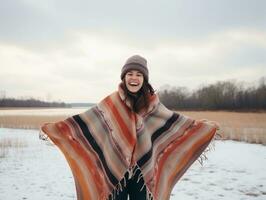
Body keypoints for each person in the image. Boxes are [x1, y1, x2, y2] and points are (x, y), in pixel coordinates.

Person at [40, 55, 219, 200]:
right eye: (130, 74)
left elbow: (176, 125)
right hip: (115, 173)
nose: (134, 78)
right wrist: (58, 129)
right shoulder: (111, 103)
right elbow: (86, 123)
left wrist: (203, 129)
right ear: (124, 77)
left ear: (144, 79)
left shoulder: (153, 106)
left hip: (142, 176)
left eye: (138, 74)